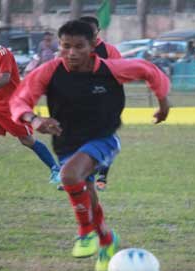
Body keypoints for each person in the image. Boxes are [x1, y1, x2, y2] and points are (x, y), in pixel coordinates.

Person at [9, 20, 170, 271]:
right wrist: (34, 119)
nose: (71, 53)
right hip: (66, 143)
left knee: (69, 175)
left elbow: (148, 70)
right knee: (86, 193)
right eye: (65, 47)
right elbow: (19, 99)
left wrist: (163, 104)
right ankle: (106, 240)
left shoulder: (111, 70)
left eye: (79, 47)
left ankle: (85, 232)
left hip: (103, 138)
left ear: (93, 45)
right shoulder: (49, 71)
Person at [0, 23, 60, 184]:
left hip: (10, 106)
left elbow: (5, 78)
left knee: (27, 140)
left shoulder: (4, 54)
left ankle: (55, 169)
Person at [79, 15, 122, 191]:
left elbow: (120, 73)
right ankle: (82, 178)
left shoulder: (110, 50)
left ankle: (102, 177)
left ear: (98, 31)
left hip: (105, 102)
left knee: (105, 139)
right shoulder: (75, 50)